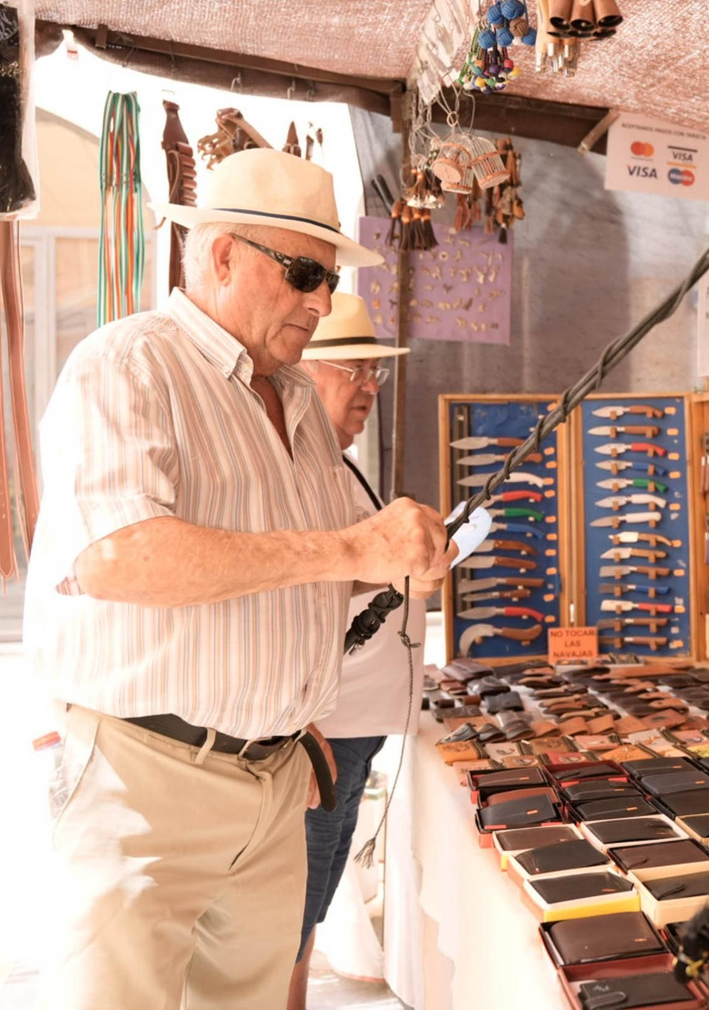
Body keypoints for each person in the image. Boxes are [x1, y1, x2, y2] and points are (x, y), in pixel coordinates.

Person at [24, 148, 452, 1010]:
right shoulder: (128, 366)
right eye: (302, 273)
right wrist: (352, 551)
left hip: (275, 779)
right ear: (221, 256)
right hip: (145, 781)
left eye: (326, 278)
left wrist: (402, 568)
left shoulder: (293, 400)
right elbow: (120, 556)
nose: (322, 302)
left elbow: (326, 576)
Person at [287, 293, 419, 1010]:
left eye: (377, 372)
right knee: (290, 923)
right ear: (304, 371)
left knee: (308, 916)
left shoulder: (340, 465)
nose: (369, 387)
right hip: (322, 735)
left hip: (353, 731)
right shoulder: (299, 473)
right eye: (355, 370)